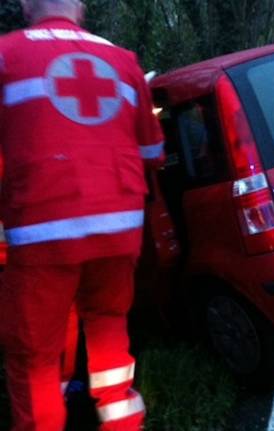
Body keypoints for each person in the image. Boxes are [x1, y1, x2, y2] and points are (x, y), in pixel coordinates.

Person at [0, 0, 164, 430]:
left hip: (43, 234)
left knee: (33, 357)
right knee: (109, 331)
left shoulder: (7, 54)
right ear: (80, 6)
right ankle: (122, 421)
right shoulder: (123, 61)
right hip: (119, 231)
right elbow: (153, 153)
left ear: (25, 5)